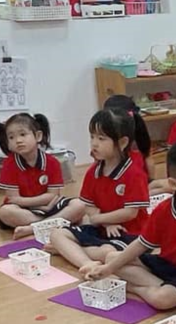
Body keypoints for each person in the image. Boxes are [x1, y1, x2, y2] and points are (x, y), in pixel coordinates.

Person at [83, 139, 176, 308]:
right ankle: (156, 286)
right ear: (173, 184)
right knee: (112, 258)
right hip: (165, 264)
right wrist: (108, 269)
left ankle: (133, 288)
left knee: (163, 299)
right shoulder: (163, 210)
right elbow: (141, 244)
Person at [40, 107, 149, 274]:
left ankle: (70, 251)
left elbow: (130, 213)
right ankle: (86, 262)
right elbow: (89, 205)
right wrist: (105, 222)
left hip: (129, 234)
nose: (94, 143)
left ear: (122, 143)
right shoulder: (93, 171)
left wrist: (99, 218)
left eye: (101, 138)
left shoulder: (134, 173)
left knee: (109, 253)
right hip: (101, 228)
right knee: (57, 235)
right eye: (92, 137)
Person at [0, 112, 68, 231]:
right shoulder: (8, 164)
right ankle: (51, 223)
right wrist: (41, 203)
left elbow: (53, 195)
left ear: (38, 136)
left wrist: (45, 204)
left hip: (48, 207)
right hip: (22, 209)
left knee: (78, 205)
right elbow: (13, 199)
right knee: (5, 212)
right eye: (11, 137)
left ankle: (34, 227)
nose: (18, 140)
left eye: (23, 134)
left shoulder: (52, 162)